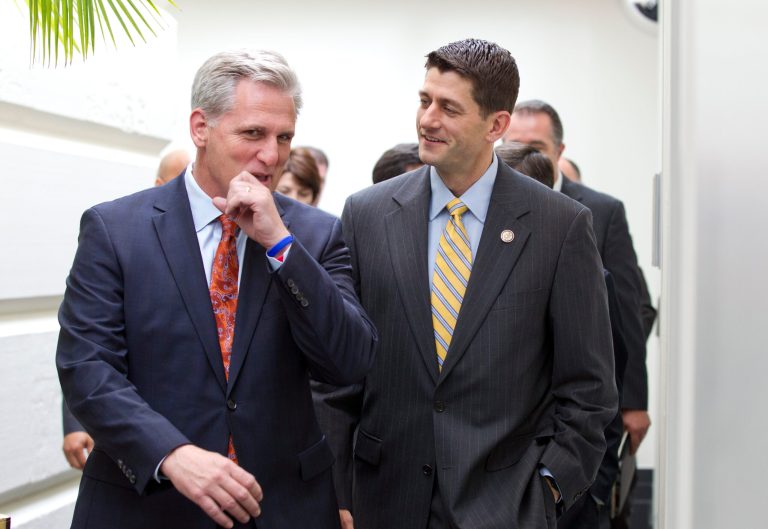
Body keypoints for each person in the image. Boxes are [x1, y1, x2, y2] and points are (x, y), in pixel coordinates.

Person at [56, 49, 376, 529]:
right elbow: (87, 367)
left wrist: (279, 244)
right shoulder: (116, 229)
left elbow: (348, 362)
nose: (272, 155)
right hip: (147, 504)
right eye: (253, 134)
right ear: (201, 128)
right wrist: (172, 453)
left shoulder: (314, 235)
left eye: (283, 136)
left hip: (283, 506)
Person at [314, 38, 617, 529]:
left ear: (496, 124)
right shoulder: (366, 214)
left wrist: (548, 490)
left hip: (504, 504)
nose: (428, 119)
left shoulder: (559, 227)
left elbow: (589, 389)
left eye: (449, 108)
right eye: (424, 100)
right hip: (381, 502)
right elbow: (337, 373)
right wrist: (339, 491)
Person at [504, 99, 653, 528]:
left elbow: (626, 311)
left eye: (536, 144)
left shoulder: (599, 211)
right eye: (516, 143)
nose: (525, 153)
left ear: (558, 149)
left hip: (580, 401)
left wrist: (633, 403)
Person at [61, 147, 192, 471]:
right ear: (159, 183)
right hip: (139, 447)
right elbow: (87, 346)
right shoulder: (119, 237)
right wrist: (75, 422)